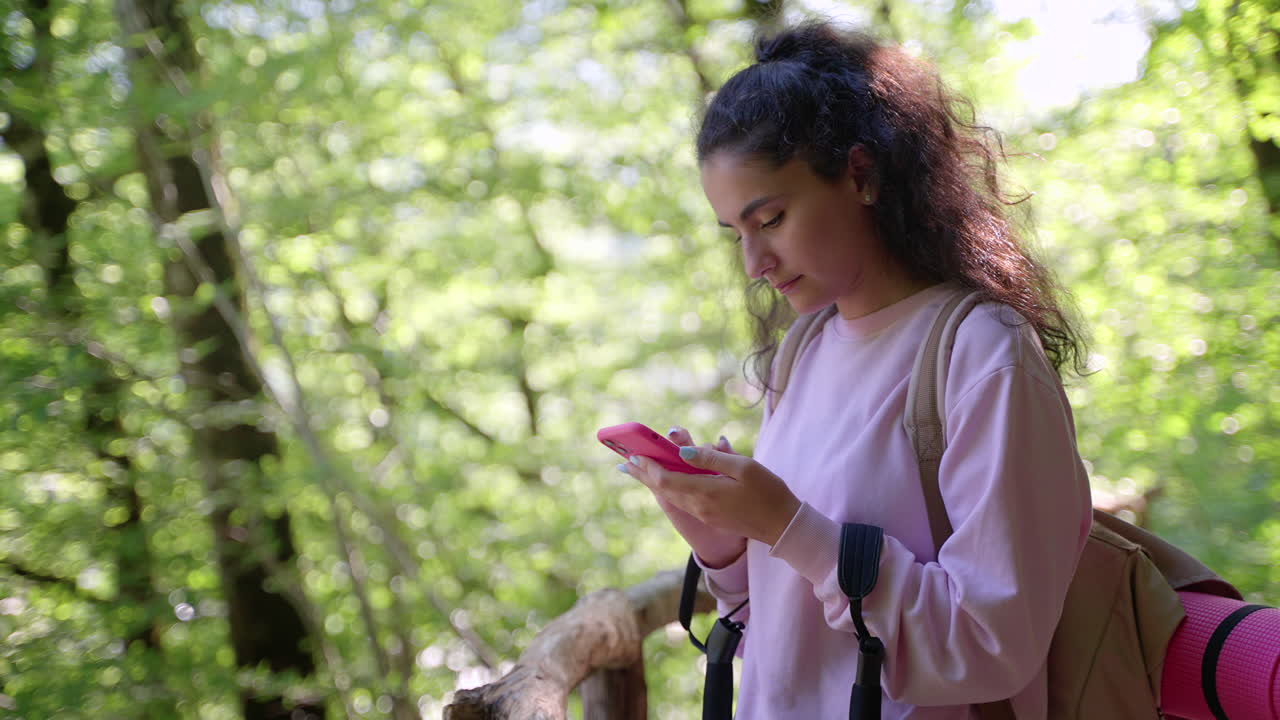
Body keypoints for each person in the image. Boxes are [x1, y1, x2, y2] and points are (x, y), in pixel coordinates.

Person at [616, 20, 1095, 720]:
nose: (755, 264)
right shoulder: (804, 352)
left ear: (861, 175)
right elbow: (791, 641)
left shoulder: (983, 357)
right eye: (737, 234)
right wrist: (724, 545)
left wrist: (785, 524)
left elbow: (991, 647)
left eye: (771, 218)